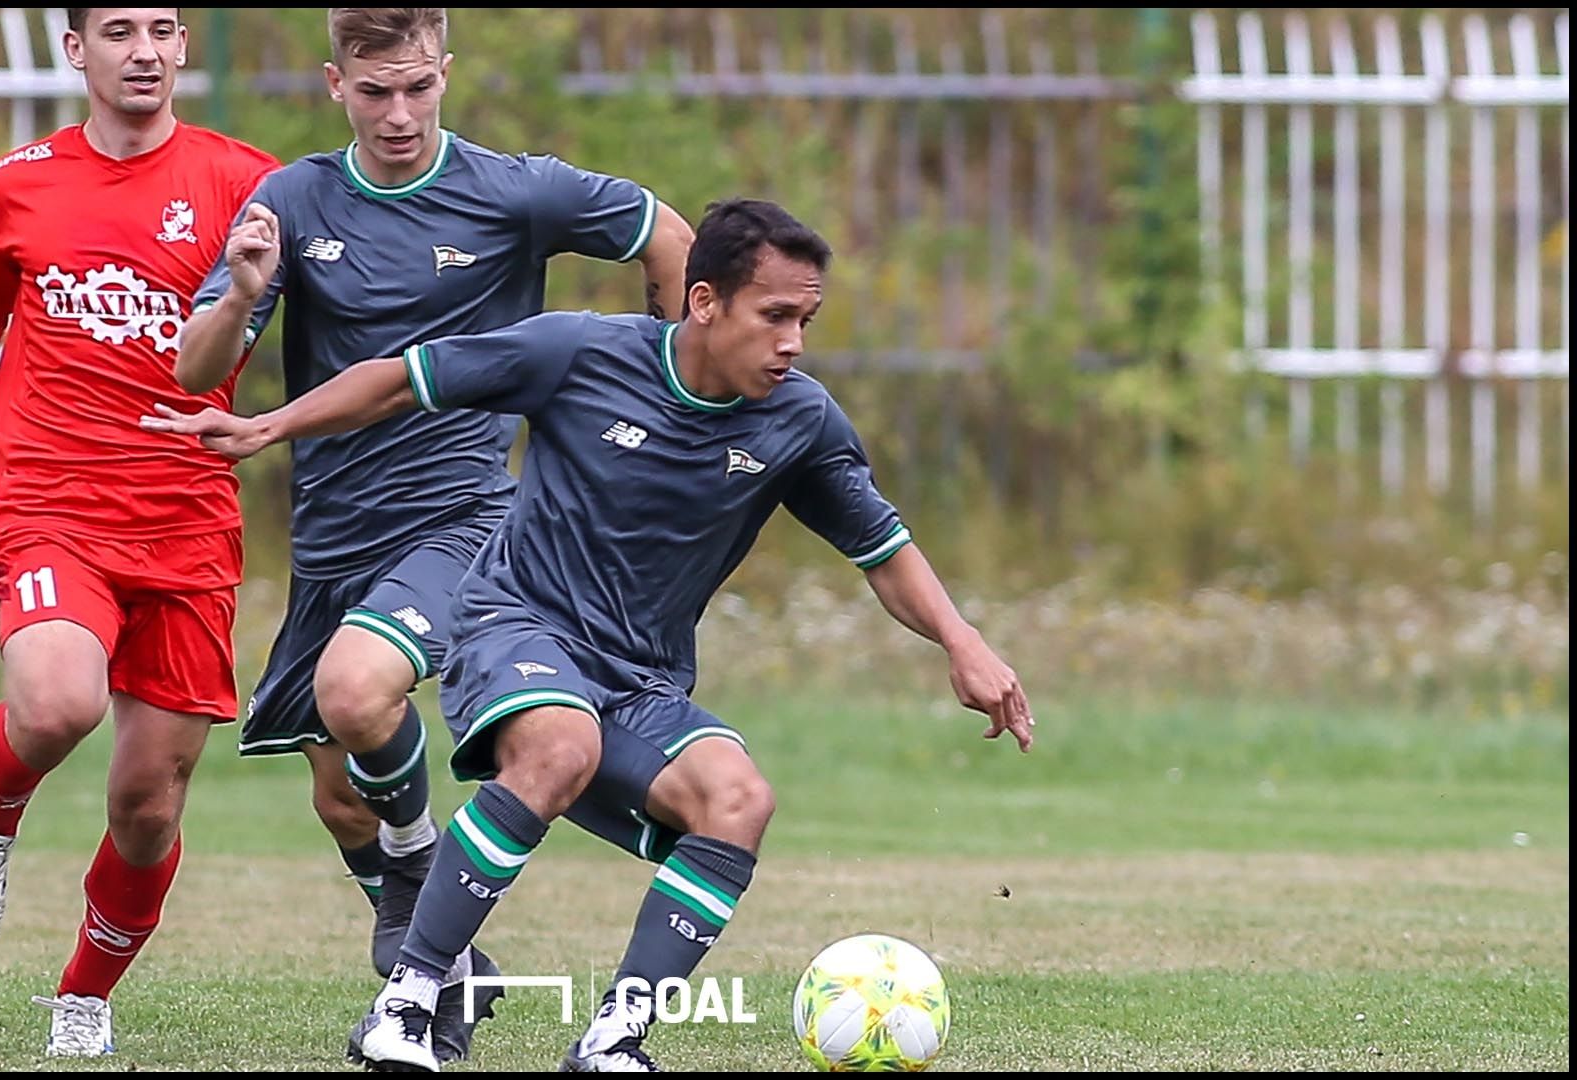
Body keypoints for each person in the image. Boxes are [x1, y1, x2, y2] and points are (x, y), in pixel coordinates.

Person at [141, 197, 1036, 1072]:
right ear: (704, 300)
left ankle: (616, 1039)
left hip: (640, 680)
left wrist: (963, 642)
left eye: (806, 319)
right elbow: (408, 376)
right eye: (775, 316)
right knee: (558, 746)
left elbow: (882, 549)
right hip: (512, 624)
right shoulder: (580, 352)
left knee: (737, 800)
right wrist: (271, 424)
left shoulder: (798, 421)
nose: (794, 341)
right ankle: (405, 1007)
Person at [174, 8, 694, 1061]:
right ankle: (444, 963)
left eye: (418, 87)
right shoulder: (290, 201)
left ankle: (419, 921)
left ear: (445, 73)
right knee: (339, 794)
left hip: (467, 519)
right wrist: (236, 294)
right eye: (375, 92)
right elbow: (194, 371)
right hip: (332, 540)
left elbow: (667, 234)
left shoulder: (515, 190)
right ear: (335, 85)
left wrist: (669, 385)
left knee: (359, 691)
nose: (400, 113)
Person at [0, 7, 278, 1058]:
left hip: (189, 522)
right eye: (119, 29)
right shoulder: (17, 184)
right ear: (77, 51)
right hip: (54, 505)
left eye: (164, 26)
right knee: (60, 698)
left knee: (148, 807)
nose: (148, 49)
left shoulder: (246, 182)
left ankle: (83, 997)